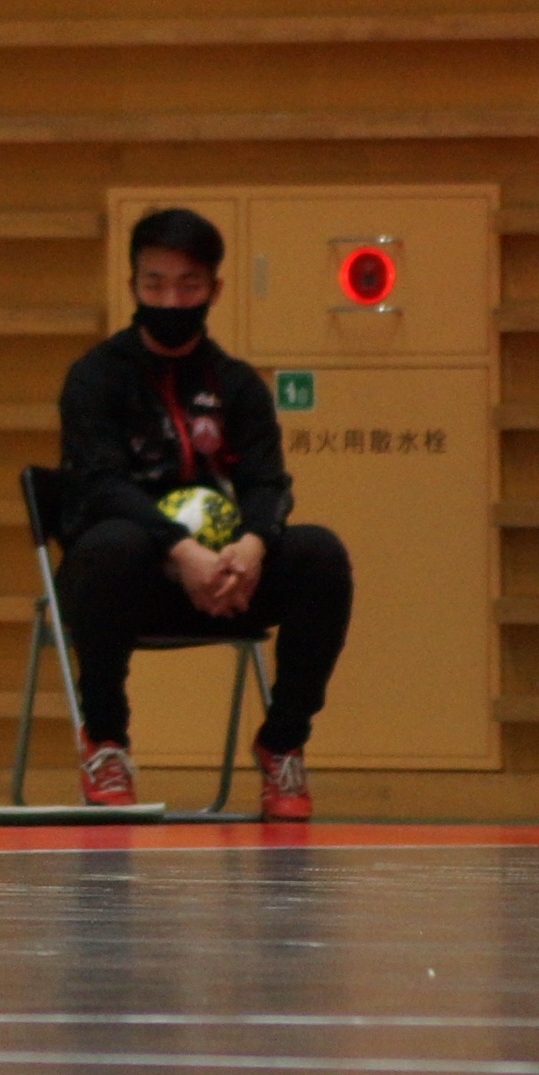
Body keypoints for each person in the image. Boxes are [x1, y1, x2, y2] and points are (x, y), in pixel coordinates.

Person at [53, 207, 353, 819]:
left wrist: (252, 547)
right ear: (133, 286)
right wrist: (180, 551)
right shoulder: (95, 378)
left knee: (320, 554)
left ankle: (283, 742)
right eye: (155, 283)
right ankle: (106, 741)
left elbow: (268, 483)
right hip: (127, 586)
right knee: (110, 544)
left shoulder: (237, 385)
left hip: (225, 585)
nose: (171, 299)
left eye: (188, 285)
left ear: (214, 290)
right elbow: (102, 485)